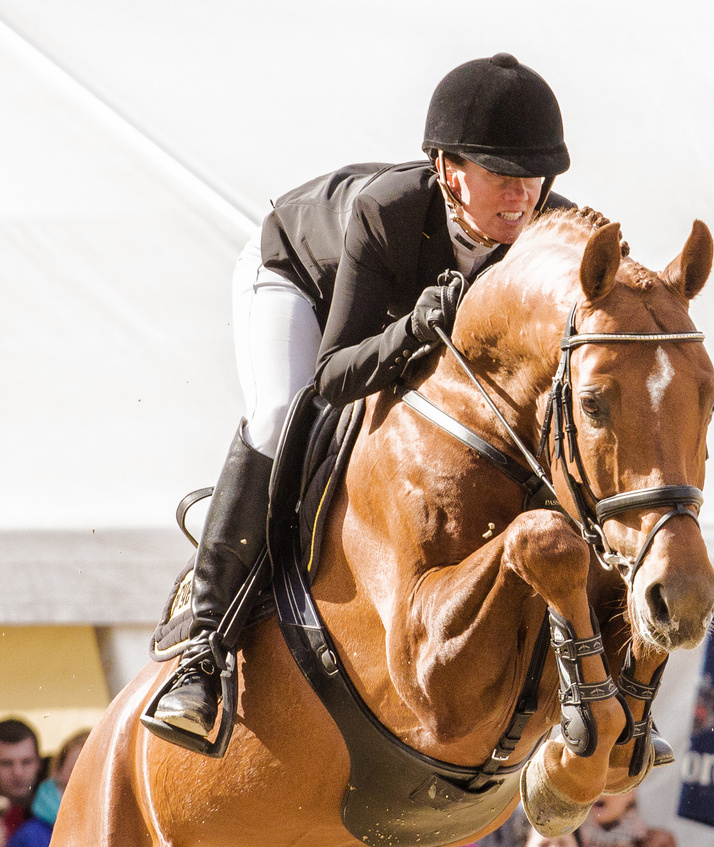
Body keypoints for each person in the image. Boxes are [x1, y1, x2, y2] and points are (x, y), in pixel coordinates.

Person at [152, 53, 573, 743]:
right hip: (297, 276)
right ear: (446, 168)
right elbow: (336, 376)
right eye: (500, 177)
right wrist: (412, 328)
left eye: (532, 179)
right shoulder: (390, 211)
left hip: (384, 312)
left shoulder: (545, 229)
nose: (519, 198)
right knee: (280, 411)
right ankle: (204, 645)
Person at [3, 729, 90, 847]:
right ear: (57, 771)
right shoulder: (29, 837)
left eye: (26, 762)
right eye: (76, 768)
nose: (18, 772)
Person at [0, 718, 43, 847]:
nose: (17, 772)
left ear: (39, 764)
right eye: (6, 763)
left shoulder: (59, 808)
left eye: (26, 762)